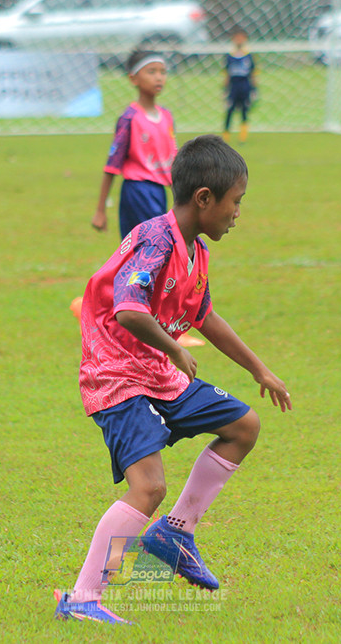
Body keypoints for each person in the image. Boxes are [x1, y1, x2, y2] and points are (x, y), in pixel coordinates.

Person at [56, 135, 292, 625]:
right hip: (117, 375)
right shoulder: (154, 239)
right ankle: (82, 596)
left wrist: (258, 368)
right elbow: (127, 309)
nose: (237, 213)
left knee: (243, 426)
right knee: (148, 488)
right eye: (236, 202)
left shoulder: (195, 251)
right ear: (204, 198)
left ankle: (175, 534)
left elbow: (204, 315)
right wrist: (173, 346)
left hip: (157, 372)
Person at [91, 48, 176, 239]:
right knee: (146, 249)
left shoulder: (167, 117)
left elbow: (172, 161)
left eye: (162, 72)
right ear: (133, 79)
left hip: (159, 192)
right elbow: (112, 166)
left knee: (156, 250)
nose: (159, 77)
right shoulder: (130, 119)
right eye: (151, 72)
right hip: (137, 192)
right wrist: (100, 210)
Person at [223, 27, 256, 145]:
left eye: (241, 38)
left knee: (244, 111)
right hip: (233, 86)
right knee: (229, 110)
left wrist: (254, 90)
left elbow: (253, 73)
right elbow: (226, 74)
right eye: (237, 38)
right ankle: (225, 137)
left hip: (244, 85)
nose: (239, 40)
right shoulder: (229, 56)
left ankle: (242, 137)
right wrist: (225, 90)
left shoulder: (248, 55)